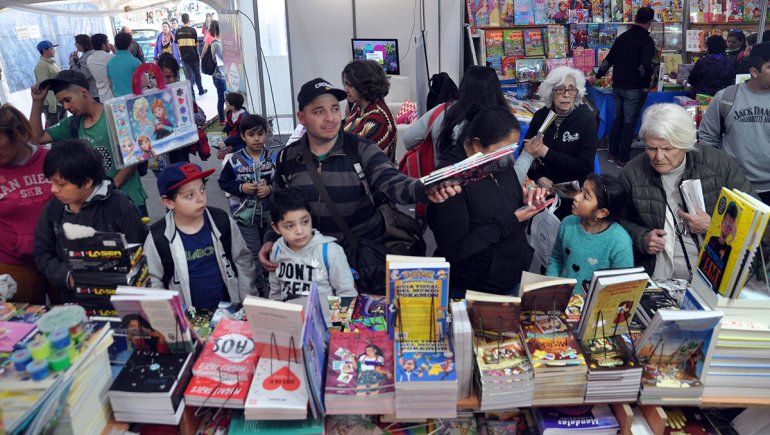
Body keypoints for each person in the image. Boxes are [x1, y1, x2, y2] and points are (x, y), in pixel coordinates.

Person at [257, 78, 459, 292]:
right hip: (311, 265)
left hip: (360, 262)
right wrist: (271, 239)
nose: (330, 118)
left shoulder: (361, 150)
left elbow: (391, 180)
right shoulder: (289, 158)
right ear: (302, 117)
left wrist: (424, 188)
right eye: (319, 111)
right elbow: (278, 206)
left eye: (335, 109)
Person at [619, 103, 754, 280]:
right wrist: (642, 237)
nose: (658, 157)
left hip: (715, 273)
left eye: (667, 149)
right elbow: (614, 222)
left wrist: (713, 227)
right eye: (651, 148)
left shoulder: (718, 164)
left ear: (685, 145)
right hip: (658, 276)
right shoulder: (632, 173)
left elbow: (754, 220)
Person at [427, 107, 548, 297]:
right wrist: (512, 219)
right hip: (475, 287)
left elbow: (506, 203)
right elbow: (455, 249)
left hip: (510, 273)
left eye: (513, 149)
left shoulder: (498, 161)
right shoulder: (450, 181)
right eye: (504, 150)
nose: (510, 157)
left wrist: (524, 201)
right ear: (477, 145)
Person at [33, 139, 147, 300]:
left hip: (118, 301)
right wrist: (67, 276)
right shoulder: (54, 209)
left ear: (87, 182)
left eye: (61, 184)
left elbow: (140, 253)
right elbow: (42, 253)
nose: (53, 189)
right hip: (73, 301)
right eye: (50, 182)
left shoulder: (119, 207)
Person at [29, 70, 148, 214]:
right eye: (62, 103)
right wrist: (37, 102)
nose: (65, 107)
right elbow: (37, 138)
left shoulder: (116, 114)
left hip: (129, 200)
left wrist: (111, 187)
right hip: (94, 206)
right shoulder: (72, 124)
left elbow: (136, 156)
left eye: (68, 100)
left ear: (83, 92)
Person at [143, 162, 258, 311]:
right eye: (190, 195)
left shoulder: (221, 220)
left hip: (230, 312)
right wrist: (171, 317)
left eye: (202, 190)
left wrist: (249, 304)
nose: (200, 198)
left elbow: (243, 261)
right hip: (187, 318)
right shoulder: (158, 237)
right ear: (169, 202)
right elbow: (152, 281)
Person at [698, 42, 770, 205]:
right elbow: (707, 137)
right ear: (754, 72)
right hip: (734, 184)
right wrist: (714, 172)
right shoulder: (726, 97)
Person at [523, 66, 598, 218]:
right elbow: (525, 154)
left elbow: (585, 166)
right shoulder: (540, 116)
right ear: (551, 92)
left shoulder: (587, 119)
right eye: (560, 89)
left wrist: (546, 152)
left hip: (573, 196)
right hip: (543, 191)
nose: (566, 95)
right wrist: (539, 177)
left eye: (571, 89)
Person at [0, 105, 54, 304]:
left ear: (16, 134)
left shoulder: (49, 160)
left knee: (72, 314)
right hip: (14, 265)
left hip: (59, 259)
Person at [592, 7, 656, 168]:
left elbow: (608, 60)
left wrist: (597, 76)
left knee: (618, 120)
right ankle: (623, 158)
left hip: (617, 86)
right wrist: (646, 84)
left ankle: (612, 154)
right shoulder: (647, 41)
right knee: (629, 123)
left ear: (636, 18)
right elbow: (645, 66)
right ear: (649, 22)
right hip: (634, 88)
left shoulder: (622, 37)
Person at [218, 114, 275, 296]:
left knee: (270, 250)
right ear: (243, 136)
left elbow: (282, 182)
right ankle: (259, 289)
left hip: (269, 216)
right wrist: (241, 187)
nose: (256, 139)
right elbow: (223, 182)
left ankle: (272, 285)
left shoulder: (273, 157)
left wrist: (270, 189)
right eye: (251, 135)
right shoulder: (234, 160)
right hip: (244, 217)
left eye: (260, 134)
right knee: (253, 253)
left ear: (266, 134)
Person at [267, 187, 357, 301]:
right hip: (289, 312)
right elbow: (275, 290)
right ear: (276, 228)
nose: (300, 231)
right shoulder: (277, 249)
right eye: (290, 226)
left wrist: (334, 314)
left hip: (324, 313)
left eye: (305, 222)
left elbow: (346, 294)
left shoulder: (330, 251)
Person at [546, 174, 634, 290]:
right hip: (561, 296)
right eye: (581, 190)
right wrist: (551, 287)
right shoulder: (568, 223)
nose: (577, 197)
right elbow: (557, 258)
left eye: (586, 197)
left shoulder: (620, 242)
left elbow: (620, 287)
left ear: (601, 213)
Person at [155, 52, 211, 167]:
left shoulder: (181, 93)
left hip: (180, 149)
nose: (171, 80)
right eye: (166, 77)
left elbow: (201, 118)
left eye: (173, 76)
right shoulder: (151, 96)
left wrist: (185, 116)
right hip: (160, 153)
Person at [342, 59, 398, 161]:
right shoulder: (359, 106)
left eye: (350, 85)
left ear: (363, 85)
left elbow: (357, 159)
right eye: (345, 84)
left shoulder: (377, 120)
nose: (346, 90)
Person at [697, 201, 738, 291]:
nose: (727, 227)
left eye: (730, 225)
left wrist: (734, 238)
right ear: (722, 222)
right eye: (726, 222)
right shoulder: (712, 239)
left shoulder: (729, 250)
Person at [34, 40, 64, 127]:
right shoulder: (42, 65)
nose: (54, 51)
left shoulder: (51, 63)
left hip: (59, 101)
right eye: (52, 48)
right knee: (55, 130)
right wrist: (53, 106)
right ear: (44, 50)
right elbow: (46, 86)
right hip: (52, 105)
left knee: (63, 129)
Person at [176, 13, 206, 97]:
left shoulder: (178, 32)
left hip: (184, 57)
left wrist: (181, 55)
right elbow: (196, 44)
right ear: (189, 20)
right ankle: (200, 90)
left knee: (188, 76)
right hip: (194, 56)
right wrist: (198, 53)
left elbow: (178, 46)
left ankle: (191, 93)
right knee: (197, 74)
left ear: (182, 20)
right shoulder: (193, 30)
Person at [107, 32, 141, 97]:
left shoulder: (110, 63)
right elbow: (144, 82)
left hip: (119, 99)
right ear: (130, 44)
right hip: (134, 99)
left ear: (115, 46)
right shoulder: (135, 62)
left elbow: (110, 84)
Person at [68, 34, 99, 101]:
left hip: (93, 93)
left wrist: (72, 61)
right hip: (96, 91)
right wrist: (77, 61)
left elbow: (82, 76)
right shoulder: (91, 53)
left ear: (81, 44)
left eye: (76, 43)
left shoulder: (87, 56)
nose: (75, 45)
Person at [87, 33, 115, 102]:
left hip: (102, 95)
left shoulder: (89, 59)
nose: (109, 44)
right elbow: (121, 59)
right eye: (107, 42)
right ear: (103, 45)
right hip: (113, 94)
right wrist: (114, 49)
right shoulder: (110, 57)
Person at [209, 20, 227, 123]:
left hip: (220, 74)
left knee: (222, 97)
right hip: (220, 75)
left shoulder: (217, 43)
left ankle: (222, 118)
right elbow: (221, 60)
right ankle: (222, 119)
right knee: (222, 98)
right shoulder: (217, 44)